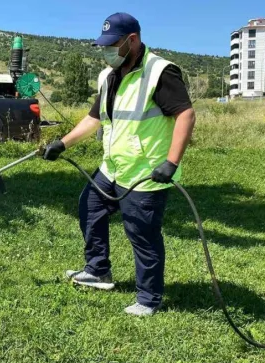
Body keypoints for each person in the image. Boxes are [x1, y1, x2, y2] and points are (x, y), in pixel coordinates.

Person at [43, 12, 195, 316]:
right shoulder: (108, 76)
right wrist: (62, 143)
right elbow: (94, 118)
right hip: (112, 167)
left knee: (141, 232)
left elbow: (185, 115)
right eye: (103, 45)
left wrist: (171, 162)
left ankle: (149, 299)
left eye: (112, 45)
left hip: (145, 172)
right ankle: (99, 271)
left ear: (132, 40)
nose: (107, 51)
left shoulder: (160, 72)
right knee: (90, 207)